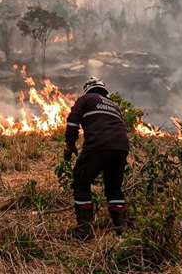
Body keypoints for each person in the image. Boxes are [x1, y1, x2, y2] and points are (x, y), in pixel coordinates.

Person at [64, 76, 130, 240]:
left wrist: (70, 145)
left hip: (98, 145)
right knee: (114, 188)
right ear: (103, 90)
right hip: (121, 148)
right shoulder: (114, 105)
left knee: (80, 180)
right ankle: (121, 232)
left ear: (87, 89)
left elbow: (72, 123)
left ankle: (84, 231)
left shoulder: (85, 99)